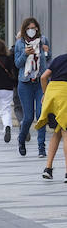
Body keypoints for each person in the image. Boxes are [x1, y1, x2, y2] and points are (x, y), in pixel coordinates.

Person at [14, 16, 51, 158]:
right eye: (28, 28)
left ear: (37, 29)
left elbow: (48, 60)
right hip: (25, 83)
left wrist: (46, 52)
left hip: (40, 83)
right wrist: (25, 54)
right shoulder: (19, 44)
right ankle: (21, 139)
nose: (31, 31)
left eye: (33, 28)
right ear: (24, 30)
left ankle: (41, 147)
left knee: (42, 115)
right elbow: (17, 63)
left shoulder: (43, 40)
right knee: (28, 117)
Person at [35, 48, 67, 180]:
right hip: (65, 96)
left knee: (57, 132)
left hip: (52, 96)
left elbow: (43, 77)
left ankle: (48, 168)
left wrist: (45, 93)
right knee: (66, 132)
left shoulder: (59, 59)